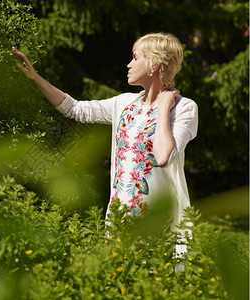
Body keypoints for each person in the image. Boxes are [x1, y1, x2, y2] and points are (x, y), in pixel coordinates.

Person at [13, 33, 198, 246]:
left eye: (135, 58)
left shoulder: (184, 108)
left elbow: (164, 156)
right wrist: (36, 78)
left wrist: (164, 107)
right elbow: (74, 108)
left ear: (153, 65)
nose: (129, 64)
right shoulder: (124, 103)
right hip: (119, 219)